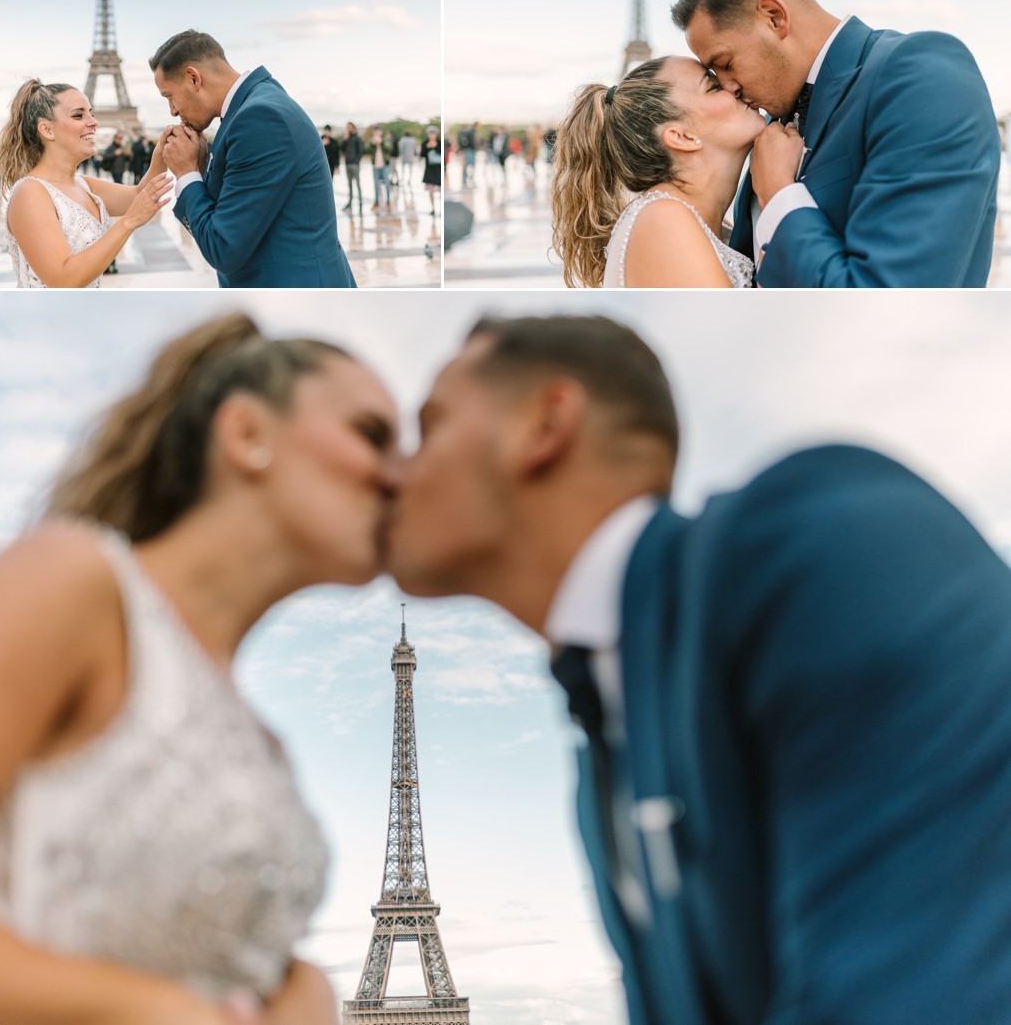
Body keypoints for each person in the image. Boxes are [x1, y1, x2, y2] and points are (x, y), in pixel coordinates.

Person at [386, 313, 1011, 1025]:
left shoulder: (829, 545)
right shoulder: (607, 742)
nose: (392, 471)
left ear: (545, 425)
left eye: (429, 426)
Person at [0, 311, 400, 1025]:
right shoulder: (72, 580)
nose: (398, 475)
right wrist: (150, 1008)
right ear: (246, 434)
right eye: (371, 434)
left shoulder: (261, 740)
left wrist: (298, 988)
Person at [673, 0, 1001, 288]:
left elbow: (890, 297)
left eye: (725, 64)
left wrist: (779, 193)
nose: (728, 88)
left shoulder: (922, 75)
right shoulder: (769, 130)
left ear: (774, 16)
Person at [151, 30, 356, 289]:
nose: (172, 110)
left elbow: (222, 248)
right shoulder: (255, 105)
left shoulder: (258, 119)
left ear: (194, 78)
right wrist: (200, 168)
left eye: (169, 95)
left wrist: (186, 174)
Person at [551, 58, 762, 288]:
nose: (733, 86)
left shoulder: (682, 218)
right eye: (712, 87)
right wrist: (777, 193)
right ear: (682, 137)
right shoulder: (664, 221)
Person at [0, 80, 173, 288]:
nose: (94, 122)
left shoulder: (83, 185)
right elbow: (63, 280)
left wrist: (161, 154)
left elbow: (141, 194)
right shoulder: (31, 193)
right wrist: (128, 222)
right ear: (47, 130)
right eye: (78, 115)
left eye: (91, 113)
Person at [341, 122, 364, 215]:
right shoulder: (347, 139)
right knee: (349, 184)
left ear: (353, 128)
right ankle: (350, 203)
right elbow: (341, 148)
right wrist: (344, 139)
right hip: (347, 164)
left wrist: (356, 162)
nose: (348, 129)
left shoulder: (357, 138)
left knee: (357, 184)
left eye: (349, 127)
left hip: (354, 164)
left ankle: (360, 202)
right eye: (347, 127)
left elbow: (360, 151)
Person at [420, 127, 442, 217]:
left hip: (439, 169)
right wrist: (427, 147)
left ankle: (441, 208)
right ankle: (433, 208)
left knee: (440, 190)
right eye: (430, 134)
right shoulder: (425, 143)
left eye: (434, 134)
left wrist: (436, 146)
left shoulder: (439, 143)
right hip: (429, 169)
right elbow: (422, 154)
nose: (432, 136)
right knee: (430, 190)